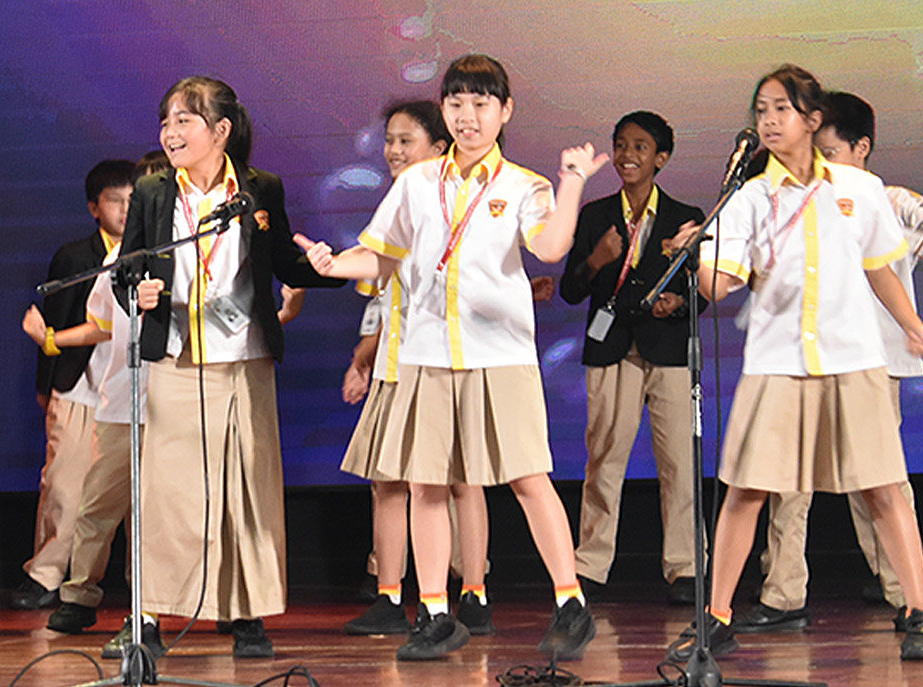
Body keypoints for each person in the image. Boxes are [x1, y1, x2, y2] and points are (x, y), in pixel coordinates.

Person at [298, 54, 607, 661]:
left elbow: (549, 246)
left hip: (501, 354)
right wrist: (336, 265)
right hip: (426, 354)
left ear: (505, 111)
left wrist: (573, 182)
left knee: (526, 477)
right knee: (426, 484)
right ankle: (436, 613)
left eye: (481, 105)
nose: (468, 117)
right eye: (457, 104)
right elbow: (381, 255)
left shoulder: (523, 185)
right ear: (445, 110)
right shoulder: (415, 183)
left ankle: (570, 600)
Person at [662, 65, 923, 662]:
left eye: (782, 110)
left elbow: (879, 267)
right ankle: (716, 615)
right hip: (776, 362)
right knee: (746, 490)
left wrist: (912, 326)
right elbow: (722, 285)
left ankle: (919, 609)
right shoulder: (747, 199)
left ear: (812, 121)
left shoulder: (859, 189)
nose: (768, 120)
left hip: (852, 359)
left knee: (884, 490)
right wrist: (697, 259)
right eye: (761, 110)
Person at [110, 75, 344, 660]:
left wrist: (324, 264)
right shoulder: (154, 190)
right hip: (174, 357)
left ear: (221, 130)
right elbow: (126, 268)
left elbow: (284, 261)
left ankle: (246, 615)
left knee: (246, 488)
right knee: (165, 497)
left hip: (244, 359)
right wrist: (136, 291)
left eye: (184, 120)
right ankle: (147, 617)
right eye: (166, 122)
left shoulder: (261, 189)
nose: (170, 133)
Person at [737, 95, 923, 635]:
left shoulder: (884, 200)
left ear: (862, 147)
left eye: (831, 150)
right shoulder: (797, 198)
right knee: (786, 483)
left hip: (871, 364)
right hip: (803, 361)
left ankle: (912, 598)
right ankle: (782, 594)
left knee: (881, 487)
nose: (820, 160)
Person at [339, 99, 491, 640]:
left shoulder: (455, 199)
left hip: (445, 359)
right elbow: (380, 287)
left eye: (407, 140)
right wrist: (365, 354)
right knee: (387, 481)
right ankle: (389, 594)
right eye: (390, 140)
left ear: (439, 146)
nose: (394, 151)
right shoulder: (397, 200)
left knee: (458, 478)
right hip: (393, 361)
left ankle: (472, 593)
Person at [558, 112, 705, 605]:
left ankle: (686, 567)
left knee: (680, 464)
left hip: (668, 350)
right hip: (612, 350)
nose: (627, 156)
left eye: (640, 147)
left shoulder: (686, 216)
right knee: (604, 460)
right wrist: (598, 258)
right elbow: (572, 290)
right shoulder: (596, 215)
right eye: (621, 145)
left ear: (660, 158)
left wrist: (679, 303)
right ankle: (590, 567)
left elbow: (702, 292)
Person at [15, 159, 138, 610]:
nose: (125, 209)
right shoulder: (76, 257)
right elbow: (60, 323)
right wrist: (47, 386)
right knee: (65, 487)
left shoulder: (157, 252)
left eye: (132, 199)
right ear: (94, 207)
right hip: (80, 388)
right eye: (114, 200)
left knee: (133, 494)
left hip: (131, 391)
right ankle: (46, 574)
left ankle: (139, 586)